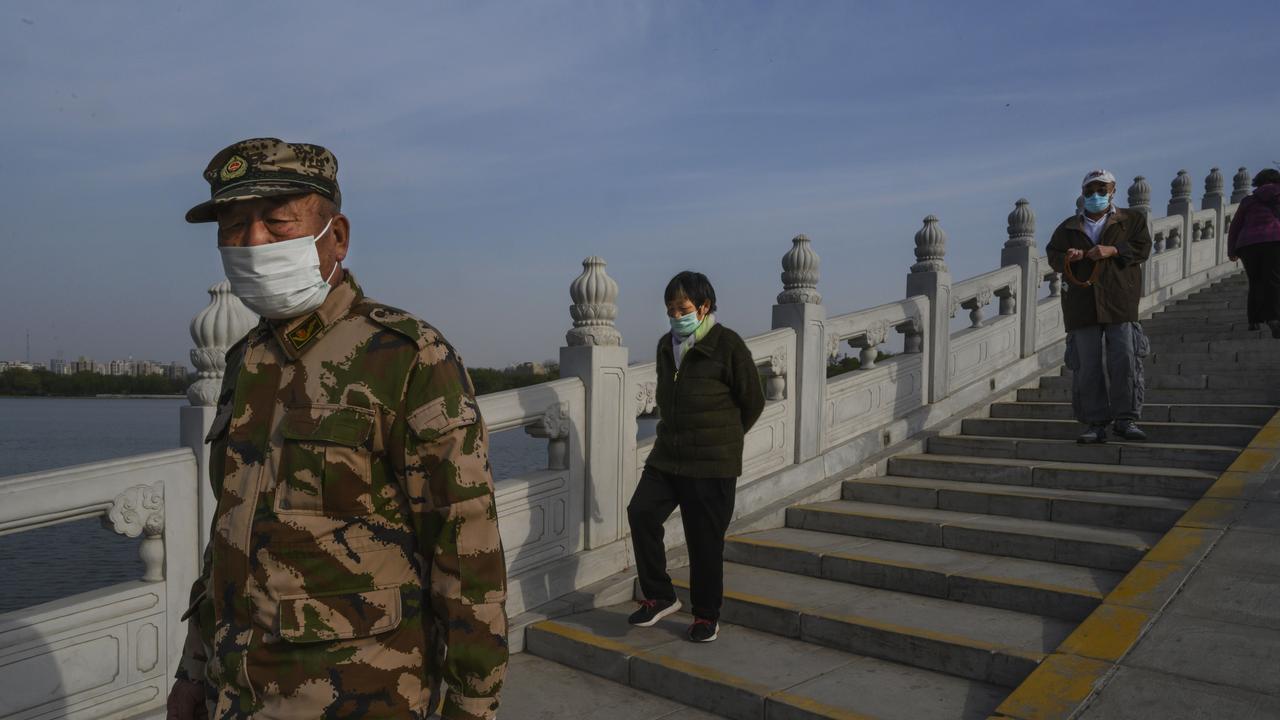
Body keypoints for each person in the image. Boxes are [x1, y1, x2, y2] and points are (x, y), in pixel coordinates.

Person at [166, 138, 508, 720]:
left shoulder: (406, 357)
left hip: (363, 696)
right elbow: (229, 536)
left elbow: (465, 546)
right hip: (237, 695)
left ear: (337, 236)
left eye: (276, 223)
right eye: (232, 226)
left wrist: (472, 706)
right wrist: (193, 671)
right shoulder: (246, 362)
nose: (252, 244)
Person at [626, 271, 765, 643]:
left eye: (683, 307)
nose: (676, 314)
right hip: (668, 455)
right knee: (640, 512)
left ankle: (706, 616)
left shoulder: (727, 344)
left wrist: (723, 439)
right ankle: (660, 595)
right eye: (671, 308)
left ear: (704, 307)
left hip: (711, 462)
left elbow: (753, 400)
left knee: (704, 542)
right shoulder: (664, 346)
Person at [1046, 169, 1153, 444]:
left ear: (1113, 190)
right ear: (1083, 194)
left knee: (1125, 360)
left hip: (1120, 301)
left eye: (1101, 190)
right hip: (1081, 304)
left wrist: (1113, 250)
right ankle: (1095, 423)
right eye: (1090, 191)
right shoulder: (1069, 226)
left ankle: (1126, 420)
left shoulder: (1131, 220)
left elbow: (1143, 248)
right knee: (1088, 367)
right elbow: (1053, 255)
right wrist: (1070, 257)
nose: (1096, 195)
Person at [1227, 168, 1280, 337]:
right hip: (1273, 239)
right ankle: (1274, 318)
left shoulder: (1248, 201)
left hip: (1248, 245)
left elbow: (1235, 226)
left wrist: (1231, 250)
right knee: (1273, 280)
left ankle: (1254, 320)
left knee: (1255, 281)